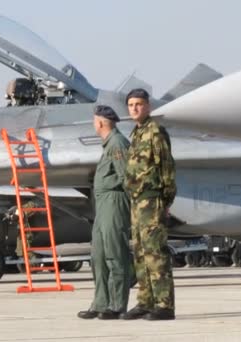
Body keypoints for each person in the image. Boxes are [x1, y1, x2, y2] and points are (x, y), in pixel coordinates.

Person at [121, 89, 177, 321]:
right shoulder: (136, 133)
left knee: (155, 252)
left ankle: (164, 305)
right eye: (131, 105)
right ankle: (145, 301)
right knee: (140, 253)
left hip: (152, 199)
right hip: (137, 201)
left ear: (148, 106)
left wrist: (166, 200)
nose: (134, 108)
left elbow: (167, 167)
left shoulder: (155, 132)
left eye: (139, 104)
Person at [78, 105, 132, 320]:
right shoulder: (108, 145)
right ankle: (101, 303)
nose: (94, 124)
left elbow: (127, 176)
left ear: (100, 122)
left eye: (94, 120)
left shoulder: (117, 143)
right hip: (103, 204)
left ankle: (117, 305)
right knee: (98, 255)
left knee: (115, 254)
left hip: (114, 201)